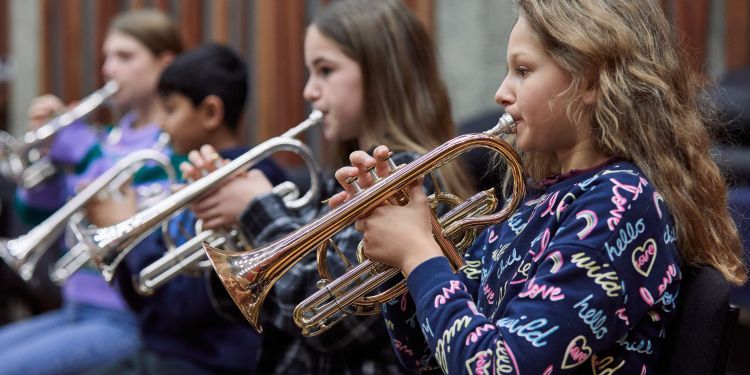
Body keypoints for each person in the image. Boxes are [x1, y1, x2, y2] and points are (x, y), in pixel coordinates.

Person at [331, 0, 749, 374]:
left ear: (589, 79)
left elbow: (496, 365)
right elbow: (425, 356)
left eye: (523, 70)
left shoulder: (621, 203)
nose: (500, 92)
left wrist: (419, 252)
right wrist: (394, 257)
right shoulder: (535, 198)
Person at [182, 0, 469, 373]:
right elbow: (267, 310)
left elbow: (326, 319)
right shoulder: (349, 174)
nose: (309, 91)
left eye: (325, 70)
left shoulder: (409, 178)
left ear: (381, 73)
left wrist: (255, 209)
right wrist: (231, 225)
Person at [82, 43, 286, 375]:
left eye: (171, 109)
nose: (161, 124)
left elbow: (183, 306)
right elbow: (148, 303)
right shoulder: (192, 177)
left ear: (210, 113)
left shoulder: (247, 183)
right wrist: (115, 250)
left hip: (207, 361)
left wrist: (130, 232)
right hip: (165, 348)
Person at [0, 9, 183, 374]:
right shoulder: (106, 139)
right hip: (74, 308)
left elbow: (136, 221)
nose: (109, 69)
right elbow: (37, 216)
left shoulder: (172, 148)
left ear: (165, 63)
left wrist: (84, 153)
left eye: (125, 57)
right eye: (107, 57)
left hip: (126, 319)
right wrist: (48, 159)